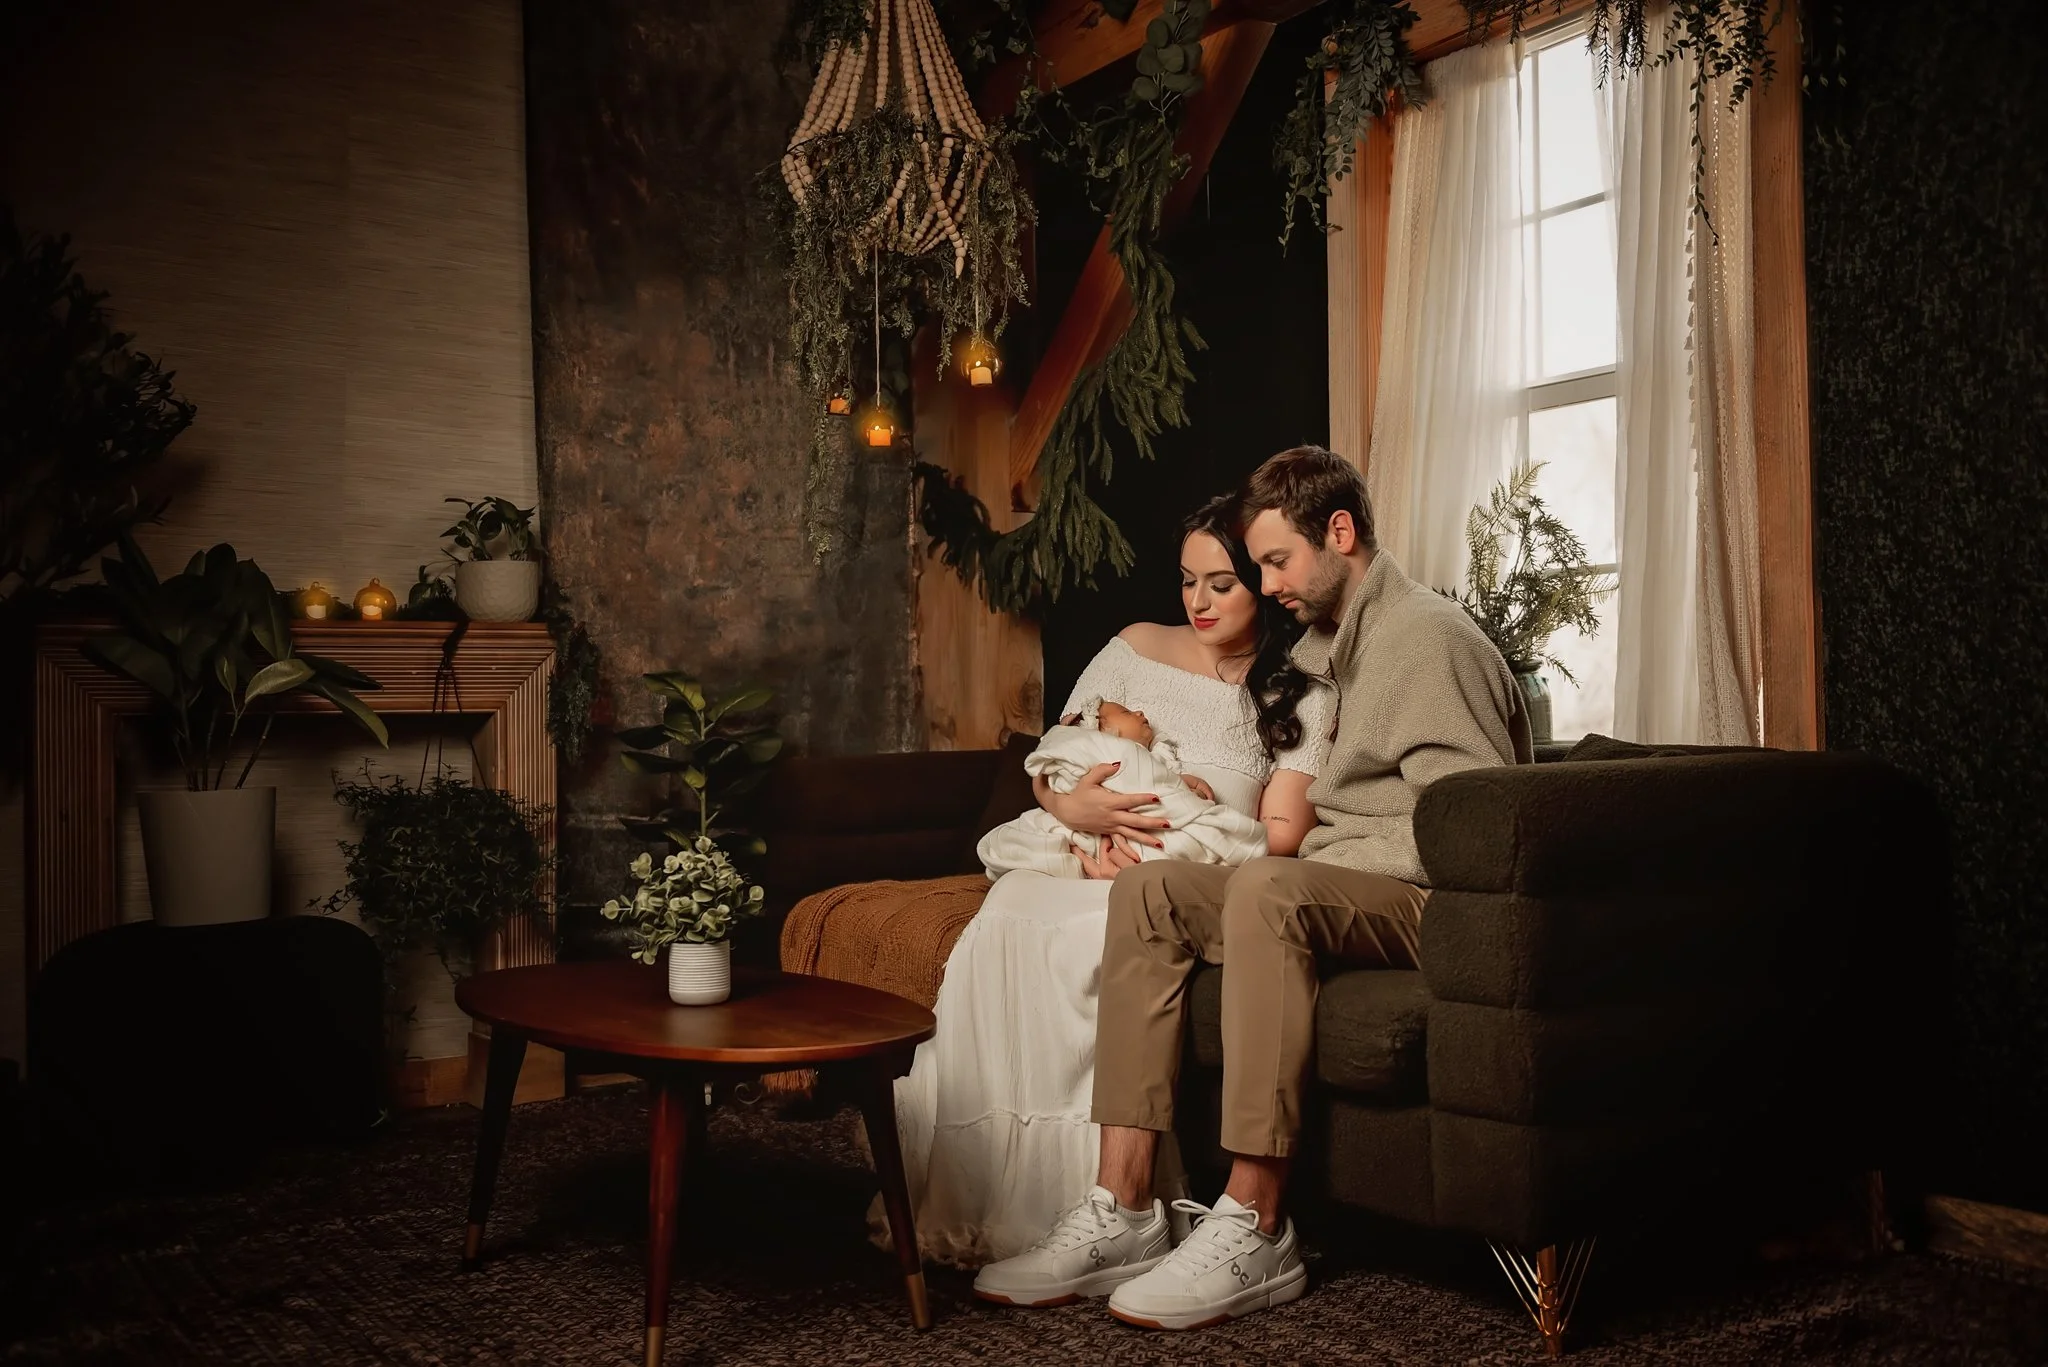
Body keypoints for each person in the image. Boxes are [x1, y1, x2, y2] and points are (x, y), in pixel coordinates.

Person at [974, 445, 1531, 1329]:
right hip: (1338, 878)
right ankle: (1123, 1206)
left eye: (1276, 561)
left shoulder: (1426, 638)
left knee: (1270, 889)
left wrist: (1305, 868)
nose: (1267, 585)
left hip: (1429, 902)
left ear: (1339, 533)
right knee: (1153, 893)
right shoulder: (1326, 649)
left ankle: (1257, 1218)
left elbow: (1473, 827)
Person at [876, 496, 1332, 1267]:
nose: (1198, 601)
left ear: (1261, 579)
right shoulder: (1131, 647)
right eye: (1187, 580)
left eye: (1221, 583)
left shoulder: (1301, 690)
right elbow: (1056, 759)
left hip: (1181, 874)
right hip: (1078, 850)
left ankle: (1099, 1201)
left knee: (1106, 926)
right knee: (1010, 907)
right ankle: (983, 1189)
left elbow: (1280, 836)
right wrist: (1076, 809)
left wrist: (1180, 822)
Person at [974, 700, 1269, 879]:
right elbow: (1057, 761)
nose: (1140, 712)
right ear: (1101, 730)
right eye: (1127, 711)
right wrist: (1067, 807)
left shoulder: (1150, 759)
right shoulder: (1108, 751)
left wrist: (1179, 788)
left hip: (1145, 856)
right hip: (1097, 839)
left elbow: (1155, 781)